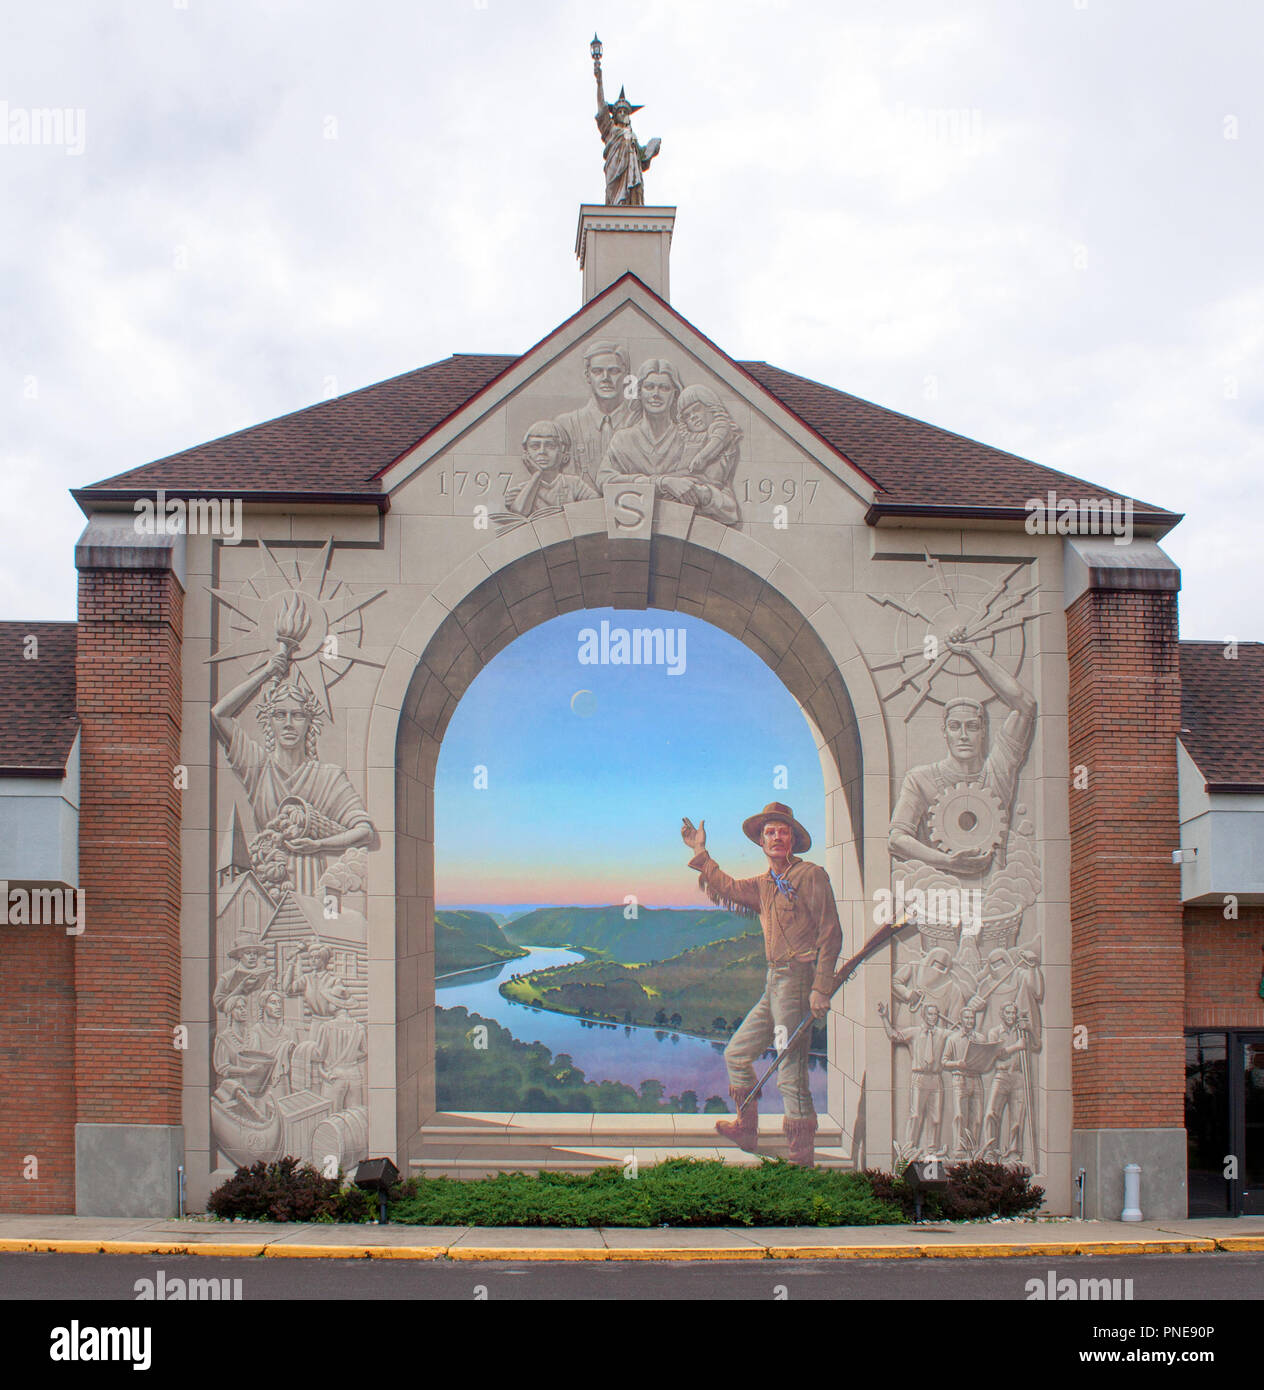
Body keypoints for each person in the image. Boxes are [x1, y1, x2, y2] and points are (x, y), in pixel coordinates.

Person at [680, 802, 840, 1166]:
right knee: (736, 1054)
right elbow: (728, 887)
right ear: (762, 841)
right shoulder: (764, 885)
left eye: (783, 831)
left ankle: (801, 1160)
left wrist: (821, 987)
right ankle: (747, 1130)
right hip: (774, 983)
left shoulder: (811, 876)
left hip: (798, 984)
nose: (777, 837)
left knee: (790, 1073)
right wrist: (699, 851)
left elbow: (831, 934)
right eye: (770, 832)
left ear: (794, 839)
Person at [211, 595, 377, 896]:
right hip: (263, 878)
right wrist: (267, 672)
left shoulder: (328, 776)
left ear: (308, 723)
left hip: (312, 883)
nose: (289, 723)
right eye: (280, 715)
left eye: (298, 715)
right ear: (270, 722)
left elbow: (364, 831)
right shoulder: (257, 767)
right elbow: (219, 714)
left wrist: (320, 844)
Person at [888, 631, 1036, 879]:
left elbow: (1025, 705)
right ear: (944, 732)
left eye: (973, 727)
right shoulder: (921, 779)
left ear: (984, 732)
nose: (964, 735)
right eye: (955, 727)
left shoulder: (998, 770)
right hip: (938, 897)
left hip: (995, 895)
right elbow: (897, 839)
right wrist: (947, 861)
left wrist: (972, 652)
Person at [553, 340, 636, 490]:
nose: (605, 378)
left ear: (627, 376)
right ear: (587, 376)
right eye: (597, 371)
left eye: (614, 371)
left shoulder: (640, 422)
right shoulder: (566, 425)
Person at [878, 999, 950, 1159]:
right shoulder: (915, 1032)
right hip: (919, 1078)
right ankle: (910, 1147)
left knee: (936, 1117)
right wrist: (884, 1018)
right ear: (924, 1015)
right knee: (916, 1114)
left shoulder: (943, 1033)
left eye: (936, 1015)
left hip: (936, 1079)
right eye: (930, 1014)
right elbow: (893, 1036)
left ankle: (932, 1150)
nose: (934, 1017)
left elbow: (960, 1036)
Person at [594, 59, 659, 206]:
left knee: (634, 191)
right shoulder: (610, 130)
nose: (623, 113)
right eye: (620, 111)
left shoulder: (632, 136)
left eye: (625, 111)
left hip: (631, 170)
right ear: (615, 115)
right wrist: (599, 82)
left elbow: (642, 159)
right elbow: (601, 109)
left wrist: (651, 148)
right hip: (615, 169)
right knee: (615, 200)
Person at [504, 421, 599, 518]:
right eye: (535, 446)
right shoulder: (522, 490)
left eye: (550, 446)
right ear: (526, 455)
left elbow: (597, 508)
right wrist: (537, 475)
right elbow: (518, 514)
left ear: (565, 455)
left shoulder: (574, 484)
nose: (542, 452)